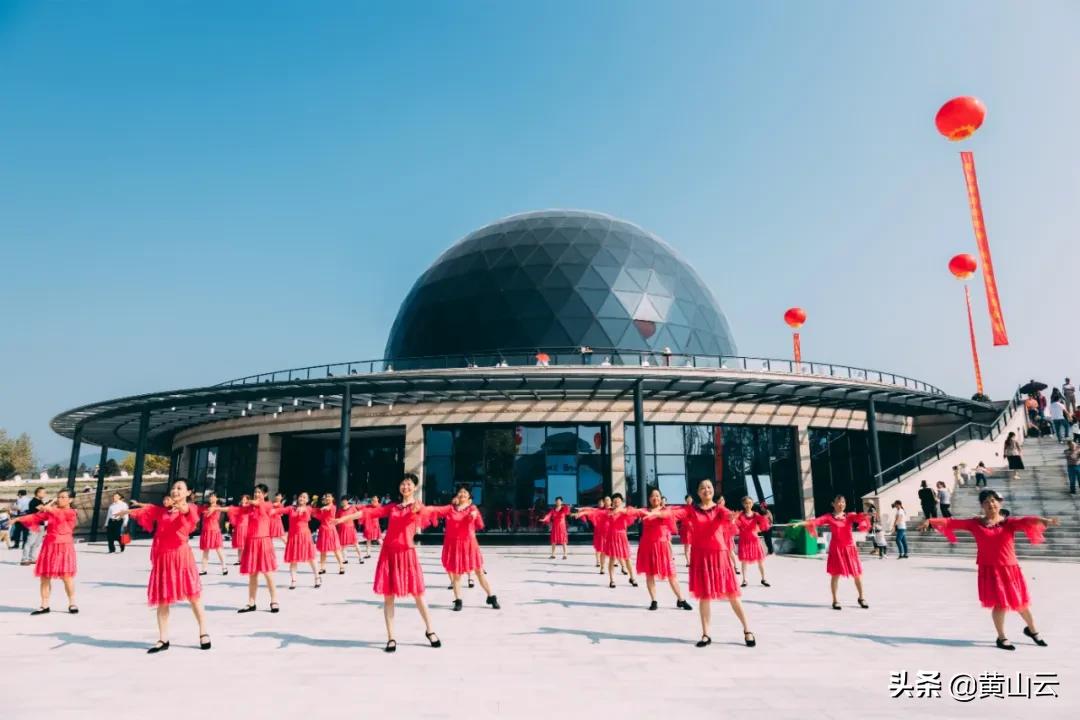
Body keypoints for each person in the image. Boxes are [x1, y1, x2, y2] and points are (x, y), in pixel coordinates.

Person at [920, 489, 1059, 650]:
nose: (991, 504)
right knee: (1000, 604)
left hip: (1010, 568)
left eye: (993, 500)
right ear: (982, 506)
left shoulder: (1009, 523)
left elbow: (1026, 521)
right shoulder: (975, 523)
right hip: (990, 570)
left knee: (1021, 603)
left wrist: (1043, 520)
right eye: (986, 502)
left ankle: (1032, 631)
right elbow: (952, 523)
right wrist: (931, 520)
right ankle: (1001, 637)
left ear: (999, 503)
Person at [117, 479, 210, 653]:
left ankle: (203, 631)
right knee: (163, 599)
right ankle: (163, 638)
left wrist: (181, 507)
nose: (175, 490)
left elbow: (188, 512)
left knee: (193, 597)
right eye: (174, 488)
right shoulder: (161, 511)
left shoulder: (191, 508)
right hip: (162, 559)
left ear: (188, 492)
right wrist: (127, 511)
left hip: (181, 557)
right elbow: (146, 510)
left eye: (180, 488)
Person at [666, 479, 755, 648]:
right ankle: (706, 634)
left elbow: (729, 516)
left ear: (713, 490)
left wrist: (732, 517)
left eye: (709, 487)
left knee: (732, 595)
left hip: (719, 555)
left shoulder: (720, 509)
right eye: (702, 488)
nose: (706, 489)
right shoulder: (692, 510)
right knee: (704, 596)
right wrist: (657, 512)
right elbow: (674, 514)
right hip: (700, 556)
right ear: (698, 493)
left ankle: (747, 630)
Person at [361, 473, 443, 652]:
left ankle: (430, 630)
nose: (405, 487)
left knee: (419, 595)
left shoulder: (417, 505)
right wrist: (341, 519)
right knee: (388, 597)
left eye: (408, 484)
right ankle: (391, 637)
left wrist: (417, 510)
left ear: (414, 488)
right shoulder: (393, 507)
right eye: (403, 483)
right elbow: (368, 512)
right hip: (389, 554)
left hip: (407, 554)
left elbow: (425, 513)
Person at [790, 495, 870, 610]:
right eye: (838, 502)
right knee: (835, 575)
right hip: (836, 549)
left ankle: (861, 598)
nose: (841, 504)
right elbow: (815, 521)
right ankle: (835, 600)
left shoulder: (850, 516)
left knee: (857, 574)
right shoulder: (829, 517)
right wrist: (799, 524)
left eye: (843, 502)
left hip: (850, 548)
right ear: (833, 504)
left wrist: (867, 514)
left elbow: (860, 518)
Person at [427, 486, 498, 611]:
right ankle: (458, 600)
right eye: (460, 492)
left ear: (469, 498)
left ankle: (491, 596)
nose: (462, 493)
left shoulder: (472, 508)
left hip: (470, 545)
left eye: (465, 492)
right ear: (457, 496)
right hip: (454, 545)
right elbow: (436, 509)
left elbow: (480, 524)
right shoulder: (450, 509)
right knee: (456, 575)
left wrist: (474, 515)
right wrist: (423, 509)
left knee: (479, 573)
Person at [12, 489, 78, 614]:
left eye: (63, 497)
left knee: (66, 576)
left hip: (64, 546)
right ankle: (44, 605)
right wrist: (18, 519)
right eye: (58, 497)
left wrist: (48, 507)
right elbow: (36, 517)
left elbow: (59, 514)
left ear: (70, 499)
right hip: (49, 545)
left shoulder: (71, 512)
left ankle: (72, 603)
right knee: (45, 577)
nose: (59, 499)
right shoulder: (52, 511)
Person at [630, 488, 692, 611]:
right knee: (649, 574)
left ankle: (681, 599)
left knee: (671, 574)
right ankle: (654, 600)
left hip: (662, 546)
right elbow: (631, 511)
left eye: (657, 496)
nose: (655, 498)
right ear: (649, 499)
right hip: (647, 546)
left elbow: (671, 513)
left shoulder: (666, 510)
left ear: (660, 498)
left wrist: (653, 514)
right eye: (653, 496)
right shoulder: (644, 511)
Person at [236, 484, 281, 614]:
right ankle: (251, 602)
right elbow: (235, 510)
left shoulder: (267, 505)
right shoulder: (250, 508)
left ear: (265, 494)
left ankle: (274, 600)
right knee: (253, 575)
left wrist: (250, 501)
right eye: (255, 492)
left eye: (260, 492)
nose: (257, 494)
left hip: (264, 542)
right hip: (251, 542)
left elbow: (260, 505)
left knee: (268, 574)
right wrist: (218, 508)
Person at [280, 492, 320, 589]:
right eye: (300, 496)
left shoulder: (309, 509)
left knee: (311, 557)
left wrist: (304, 510)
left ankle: (317, 577)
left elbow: (310, 517)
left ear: (307, 500)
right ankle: (293, 581)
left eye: (304, 497)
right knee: (293, 559)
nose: (301, 498)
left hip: (305, 535)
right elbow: (281, 510)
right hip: (293, 536)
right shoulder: (291, 508)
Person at [598, 493, 638, 588]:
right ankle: (612, 580)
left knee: (627, 558)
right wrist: (583, 511)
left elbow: (635, 512)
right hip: (612, 537)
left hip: (622, 537)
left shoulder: (625, 511)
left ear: (621, 501)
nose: (616, 501)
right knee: (612, 559)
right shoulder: (608, 511)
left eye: (618, 500)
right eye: (614, 500)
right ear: (612, 502)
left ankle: (632, 578)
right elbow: (596, 512)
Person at [734, 496, 771, 585]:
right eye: (746, 503)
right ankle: (744, 580)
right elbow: (734, 525)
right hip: (744, 540)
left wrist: (765, 516)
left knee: (760, 561)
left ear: (752, 504)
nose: (748, 505)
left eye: (750, 503)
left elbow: (764, 523)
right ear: (743, 504)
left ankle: (764, 578)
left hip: (754, 540)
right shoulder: (739, 515)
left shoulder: (756, 515)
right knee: (744, 561)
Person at [573, 496, 611, 571]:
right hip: (600, 532)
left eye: (607, 500)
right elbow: (590, 510)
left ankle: (618, 564)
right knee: (601, 549)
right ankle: (601, 566)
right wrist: (582, 511)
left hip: (611, 532)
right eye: (605, 500)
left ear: (610, 501)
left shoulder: (614, 509)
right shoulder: (600, 510)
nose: (605, 502)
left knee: (612, 550)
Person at [313, 493, 346, 574]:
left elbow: (329, 508)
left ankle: (342, 566)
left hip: (331, 530)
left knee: (336, 549)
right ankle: (322, 567)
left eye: (329, 497)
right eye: (326, 497)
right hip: (323, 530)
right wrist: (314, 511)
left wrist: (324, 507)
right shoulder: (323, 508)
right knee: (323, 550)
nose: (327, 498)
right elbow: (319, 516)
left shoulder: (333, 507)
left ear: (332, 498)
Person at [196, 493, 227, 575]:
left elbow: (211, 515)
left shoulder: (218, 508)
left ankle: (224, 567)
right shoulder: (205, 507)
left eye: (213, 496)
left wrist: (209, 510)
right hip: (206, 531)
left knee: (219, 550)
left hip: (214, 531)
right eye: (210, 497)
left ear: (216, 498)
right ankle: (204, 569)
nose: (211, 498)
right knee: (205, 551)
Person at [20, 487, 47, 566]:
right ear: (38, 493)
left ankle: (32, 558)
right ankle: (24, 559)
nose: (45, 494)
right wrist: (51, 502)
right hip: (34, 524)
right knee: (30, 542)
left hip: (41, 524)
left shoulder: (40, 501)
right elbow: (42, 509)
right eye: (43, 492)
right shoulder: (34, 501)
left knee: (37, 543)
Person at [336, 497, 365, 565]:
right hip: (342, 529)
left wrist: (360, 523)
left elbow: (358, 515)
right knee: (343, 545)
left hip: (351, 528)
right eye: (342, 501)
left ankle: (361, 557)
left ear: (347, 501)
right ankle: (345, 558)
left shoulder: (352, 508)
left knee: (355, 543)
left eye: (344, 501)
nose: (343, 502)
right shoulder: (340, 510)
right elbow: (337, 519)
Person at [225, 494, 251, 565]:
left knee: (245, 545)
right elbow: (233, 513)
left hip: (246, 527)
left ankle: (246, 559)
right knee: (240, 545)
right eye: (242, 499)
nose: (243, 500)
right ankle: (239, 560)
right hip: (239, 527)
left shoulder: (249, 507)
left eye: (245, 499)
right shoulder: (239, 507)